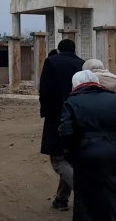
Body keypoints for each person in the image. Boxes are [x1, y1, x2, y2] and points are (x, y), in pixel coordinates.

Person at [58, 69, 116, 221]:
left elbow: (65, 132)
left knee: (87, 197)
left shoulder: (71, 102)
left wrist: (70, 153)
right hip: (115, 152)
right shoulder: (113, 98)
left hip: (86, 153)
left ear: (76, 84)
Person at [39, 39, 85, 212]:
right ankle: (62, 199)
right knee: (69, 159)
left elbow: (44, 89)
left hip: (56, 116)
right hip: (78, 116)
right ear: (74, 50)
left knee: (58, 160)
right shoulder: (82, 64)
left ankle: (87, 191)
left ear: (59, 49)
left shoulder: (51, 62)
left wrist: (45, 111)